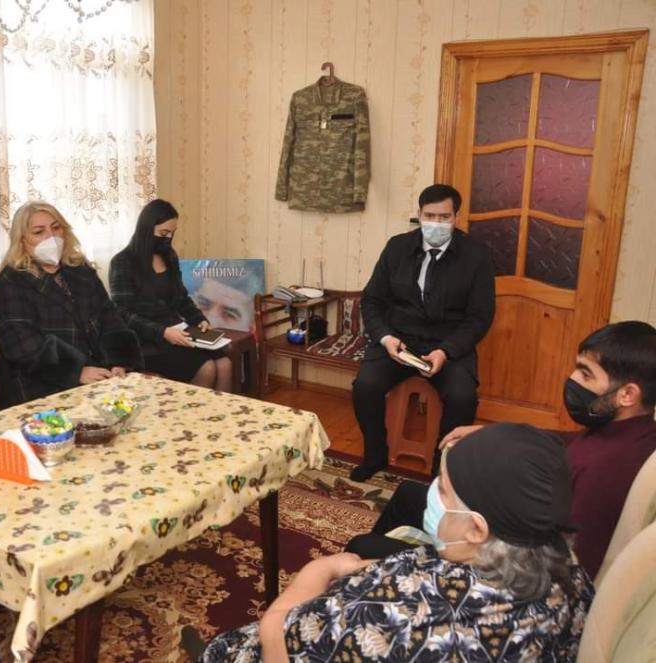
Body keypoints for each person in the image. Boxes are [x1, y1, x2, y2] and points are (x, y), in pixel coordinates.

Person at [201, 424, 594, 662]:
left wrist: (321, 568)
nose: (432, 494)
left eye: (443, 489)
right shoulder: (569, 571)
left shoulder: (394, 622)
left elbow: (277, 634)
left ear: (477, 529)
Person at [346, 321, 656, 580]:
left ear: (627, 394)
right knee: (408, 494)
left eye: (586, 374)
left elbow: (569, 569)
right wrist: (494, 432)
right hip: (512, 532)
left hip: (504, 566)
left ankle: (373, 583)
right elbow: (567, 440)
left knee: (363, 547)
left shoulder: (606, 471)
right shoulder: (627, 432)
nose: (572, 379)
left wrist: (481, 544)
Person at [350, 183, 495, 482]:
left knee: (463, 397)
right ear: (419, 214)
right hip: (399, 341)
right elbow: (372, 300)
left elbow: (479, 318)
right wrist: (386, 338)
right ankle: (375, 455)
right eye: (430, 216)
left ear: (456, 217)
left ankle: (442, 470)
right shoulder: (397, 247)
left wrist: (445, 351)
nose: (436, 223)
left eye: (444, 217)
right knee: (365, 386)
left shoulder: (476, 256)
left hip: (448, 345)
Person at [0, 201, 143, 407]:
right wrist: (76, 371)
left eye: (56, 228)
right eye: (39, 232)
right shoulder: (11, 281)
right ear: (22, 241)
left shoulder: (80, 269)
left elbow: (108, 315)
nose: (51, 237)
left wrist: (118, 361)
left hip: (95, 373)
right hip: (36, 383)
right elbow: (21, 344)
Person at [109, 199, 232, 390]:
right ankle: (191, 410)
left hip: (177, 332)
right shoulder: (123, 262)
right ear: (146, 229)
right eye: (163, 233)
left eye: (172, 233)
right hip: (146, 340)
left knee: (224, 365)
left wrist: (199, 319)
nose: (168, 238)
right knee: (207, 368)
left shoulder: (169, 255)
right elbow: (122, 314)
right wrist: (163, 332)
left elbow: (181, 297)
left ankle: (220, 411)